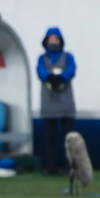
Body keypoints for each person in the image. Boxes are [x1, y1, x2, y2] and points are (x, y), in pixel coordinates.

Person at [37, 27, 76, 175]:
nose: (53, 41)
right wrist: (49, 77)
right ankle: (51, 167)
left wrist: (61, 77)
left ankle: (70, 165)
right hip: (49, 104)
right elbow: (40, 71)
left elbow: (71, 70)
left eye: (56, 38)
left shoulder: (68, 57)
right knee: (50, 137)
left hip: (65, 103)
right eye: (50, 39)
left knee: (69, 137)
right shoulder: (42, 58)